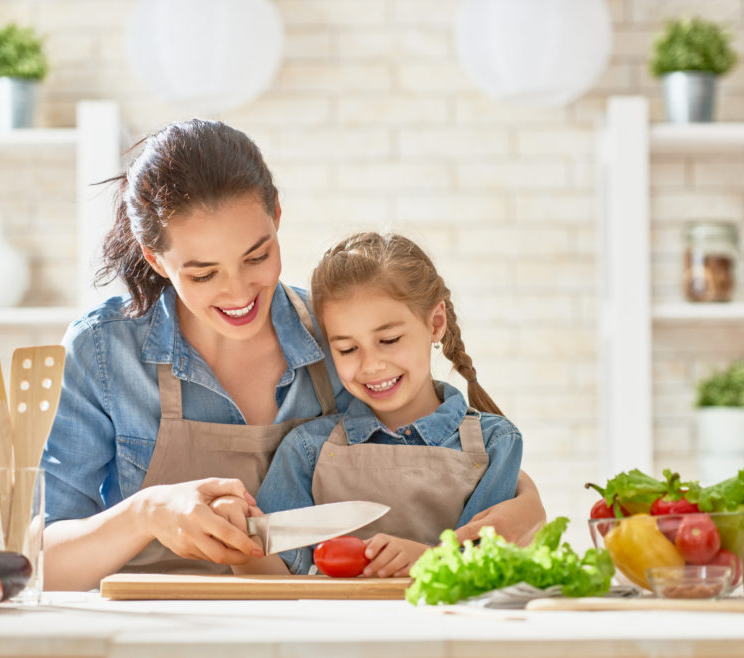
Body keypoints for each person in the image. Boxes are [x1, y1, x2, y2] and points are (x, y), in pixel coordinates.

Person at [41, 119, 546, 591]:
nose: (239, 291)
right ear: (156, 259)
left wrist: (525, 505)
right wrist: (145, 512)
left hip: (301, 626)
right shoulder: (104, 352)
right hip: (154, 634)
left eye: (257, 256)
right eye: (203, 274)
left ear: (277, 215)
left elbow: (430, 453)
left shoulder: (339, 338)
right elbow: (40, 564)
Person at [231, 232, 529, 578]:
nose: (371, 365)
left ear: (435, 323)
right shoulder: (306, 451)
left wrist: (427, 560)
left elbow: (485, 571)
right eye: (347, 349)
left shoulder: (496, 444)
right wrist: (240, 543)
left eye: (388, 340)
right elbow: (275, 579)